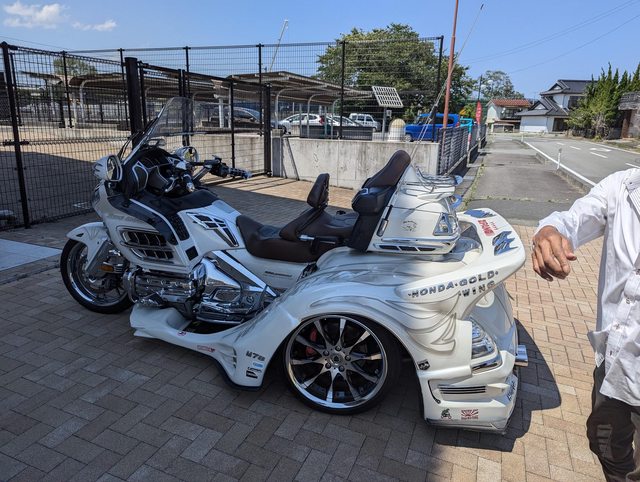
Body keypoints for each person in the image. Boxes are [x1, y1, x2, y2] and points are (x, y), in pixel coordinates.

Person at [532, 168, 640, 482]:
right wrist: (549, 231)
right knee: (604, 441)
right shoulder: (623, 186)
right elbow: (575, 218)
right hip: (615, 361)